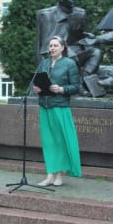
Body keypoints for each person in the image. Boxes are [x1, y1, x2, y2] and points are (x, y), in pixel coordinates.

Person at [35, 0, 102, 95]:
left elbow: (84, 39)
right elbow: (38, 44)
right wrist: (39, 75)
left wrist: (92, 39)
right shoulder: (45, 14)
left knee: (96, 52)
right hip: (54, 55)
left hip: (74, 53)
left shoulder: (80, 13)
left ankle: (82, 81)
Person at [33, 35, 81, 186]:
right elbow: (39, 81)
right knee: (48, 142)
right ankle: (49, 175)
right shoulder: (44, 63)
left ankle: (60, 175)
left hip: (60, 106)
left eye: (55, 45)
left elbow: (76, 87)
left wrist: (61, 89)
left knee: (60, 141)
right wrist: (37, 88)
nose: (52, 48)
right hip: (44, 106)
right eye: (51, 46)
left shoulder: (69, 64)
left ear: (62, 47)